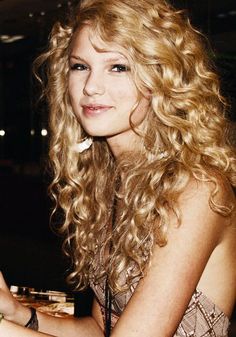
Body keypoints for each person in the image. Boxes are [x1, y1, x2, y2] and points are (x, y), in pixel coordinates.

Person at [0, 0, 235, 336]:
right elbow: (101, 328)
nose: (92, 86)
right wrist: (19, 314)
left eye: (118, 67)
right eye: (80, 66)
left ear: (159, 77)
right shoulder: (111, 182)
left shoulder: (197, 189)